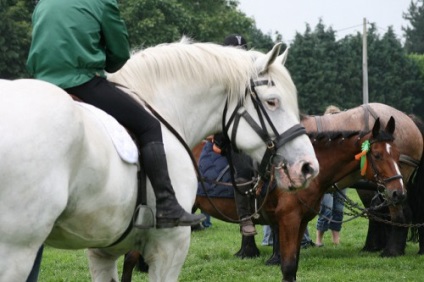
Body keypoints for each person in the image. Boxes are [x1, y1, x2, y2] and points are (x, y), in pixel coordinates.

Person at [26, 0, 205, 229]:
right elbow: (119, 54)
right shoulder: (101, 2)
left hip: (41, 84)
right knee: (149, 125)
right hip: (81, 81)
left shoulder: (44, 3)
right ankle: (167, 205)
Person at [315, 105, 346, 246]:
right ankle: (318, 240)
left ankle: (336, 239)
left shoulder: (344, 138)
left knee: (338, 209)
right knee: (326, 209)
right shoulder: (321, 138)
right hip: (326, 178)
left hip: (341, 178)